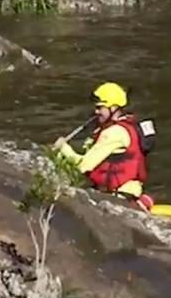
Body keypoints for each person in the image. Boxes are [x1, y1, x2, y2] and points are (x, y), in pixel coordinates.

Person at [52, 81, 156, 209]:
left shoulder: (113, 133)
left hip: (118, 197)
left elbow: (83, 166)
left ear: (113, 108)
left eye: (100, 108)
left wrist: (63, 149)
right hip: (130, 192)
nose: (96, 112)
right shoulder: (128, 126)